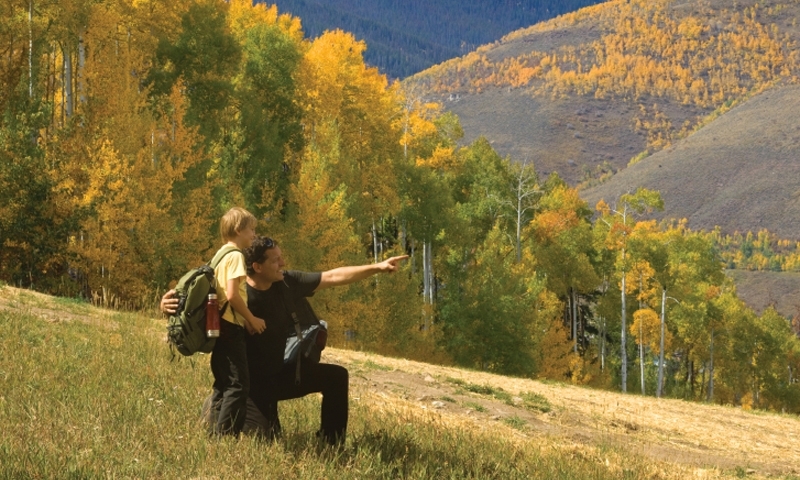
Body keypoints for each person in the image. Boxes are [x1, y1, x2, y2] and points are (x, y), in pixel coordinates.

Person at [161, 235, 407, 445]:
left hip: (282, 374)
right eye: (275, 259)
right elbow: (191, 305)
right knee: (267, 441)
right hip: (250, 388)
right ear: (257, 266)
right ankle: (217, 406)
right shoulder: (233, 294)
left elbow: (332, 277)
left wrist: (378, 267)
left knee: (336, 377)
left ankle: (331, 443)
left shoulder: (287, 282)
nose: (283, 263)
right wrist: (168, 304)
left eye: (281, 257)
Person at [209, 207, 266, 436]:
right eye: (251, 229)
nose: (254, 235)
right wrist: (251, 319)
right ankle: (224, 437)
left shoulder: (219, 255)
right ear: (237, 230)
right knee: (239, 384)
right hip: (230, 327)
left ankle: (212, 431)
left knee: (224, 383)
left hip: (218, 326)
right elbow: (232, 295)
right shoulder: (235, 256)